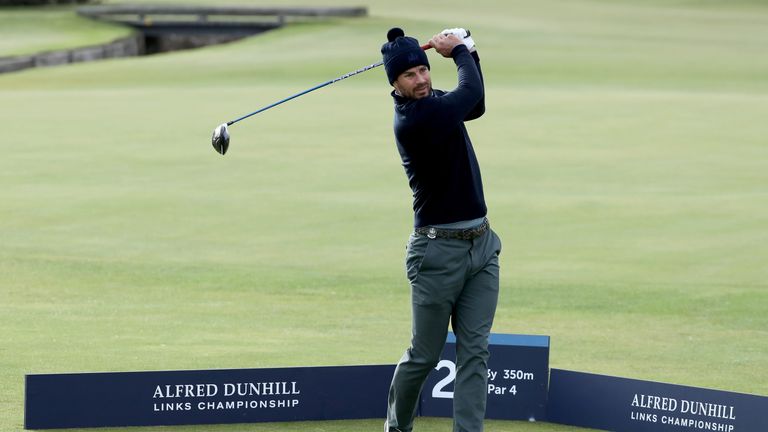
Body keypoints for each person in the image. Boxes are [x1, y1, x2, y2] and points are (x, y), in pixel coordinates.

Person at [380, 27, 502, 432]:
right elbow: (466, 95)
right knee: (424, 355)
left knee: (475, 352)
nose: (422, 79)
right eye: (410, 75)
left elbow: (477, 103)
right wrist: (461, 51)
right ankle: (398, 427)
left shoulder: (434, 102)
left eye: (423, 70)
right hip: (436, 254)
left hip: (481, 247)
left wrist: (471, 53)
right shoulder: (414, 119)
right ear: (394, 84)